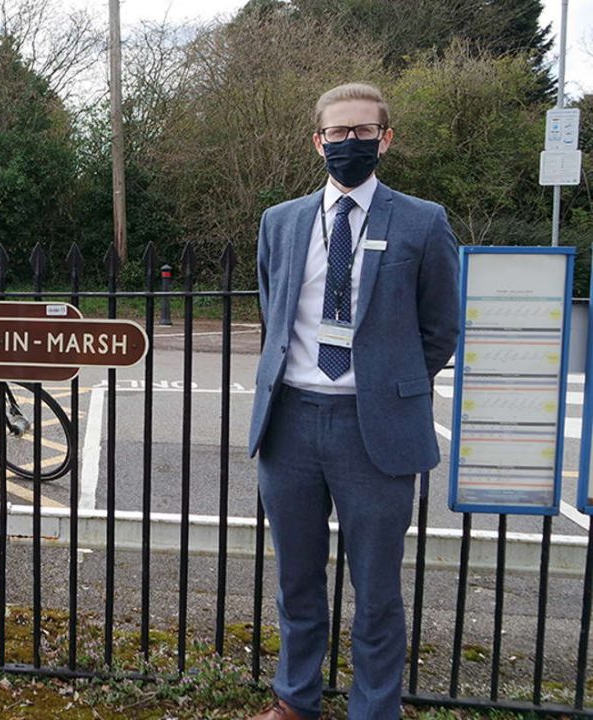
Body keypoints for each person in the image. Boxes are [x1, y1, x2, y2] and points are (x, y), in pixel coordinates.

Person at [246, 83, 460, 720]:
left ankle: (374, 709)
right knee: (297, 582)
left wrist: (388, 385)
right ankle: (295, 701)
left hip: (375, 431)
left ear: (386, 139)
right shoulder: (280, 222)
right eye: (337, 134)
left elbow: (441, 328)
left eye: (363, 132)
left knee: (376, 591)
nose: (349, 143)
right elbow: (274, 311)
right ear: (318, 142)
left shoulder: (423, 221)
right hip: (289, 425)